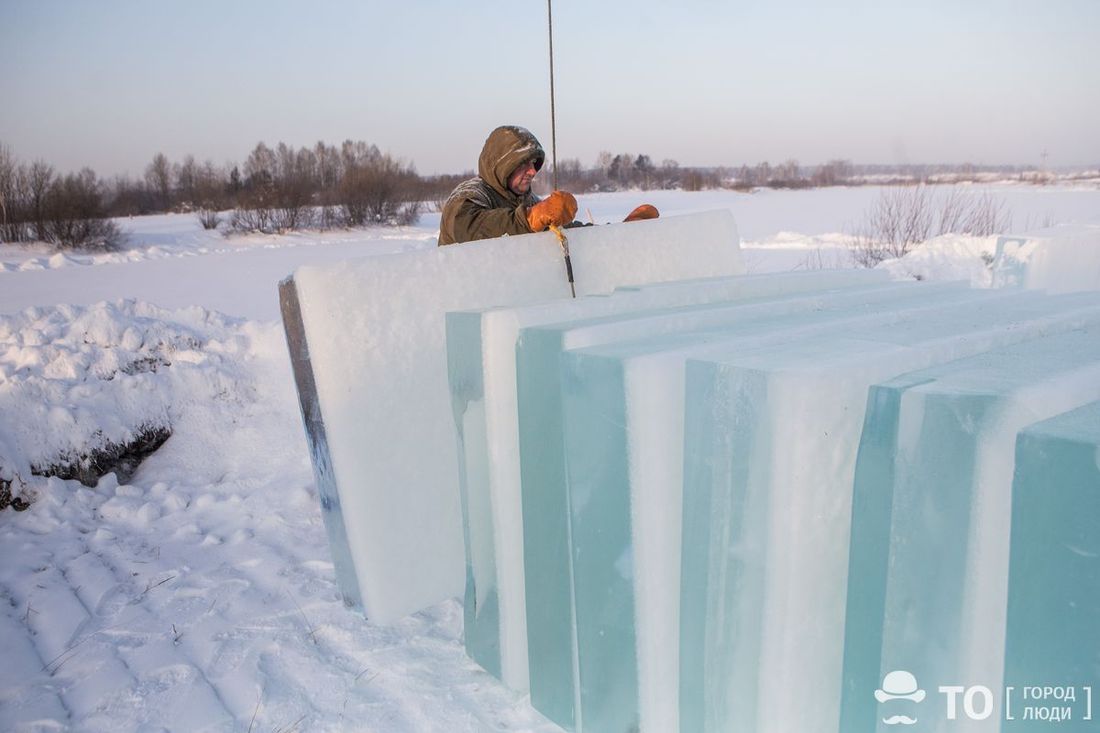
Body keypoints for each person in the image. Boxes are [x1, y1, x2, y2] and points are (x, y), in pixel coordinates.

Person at [438, 125, 657, 246]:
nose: (532, 171)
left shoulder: (528, 202)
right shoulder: (470, 195)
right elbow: (467, 229)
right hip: (460, 304)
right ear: (502, 166)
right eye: (523, 164)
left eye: (534, 163)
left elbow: (565, 232)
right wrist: (529, 219)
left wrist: (616, 234)